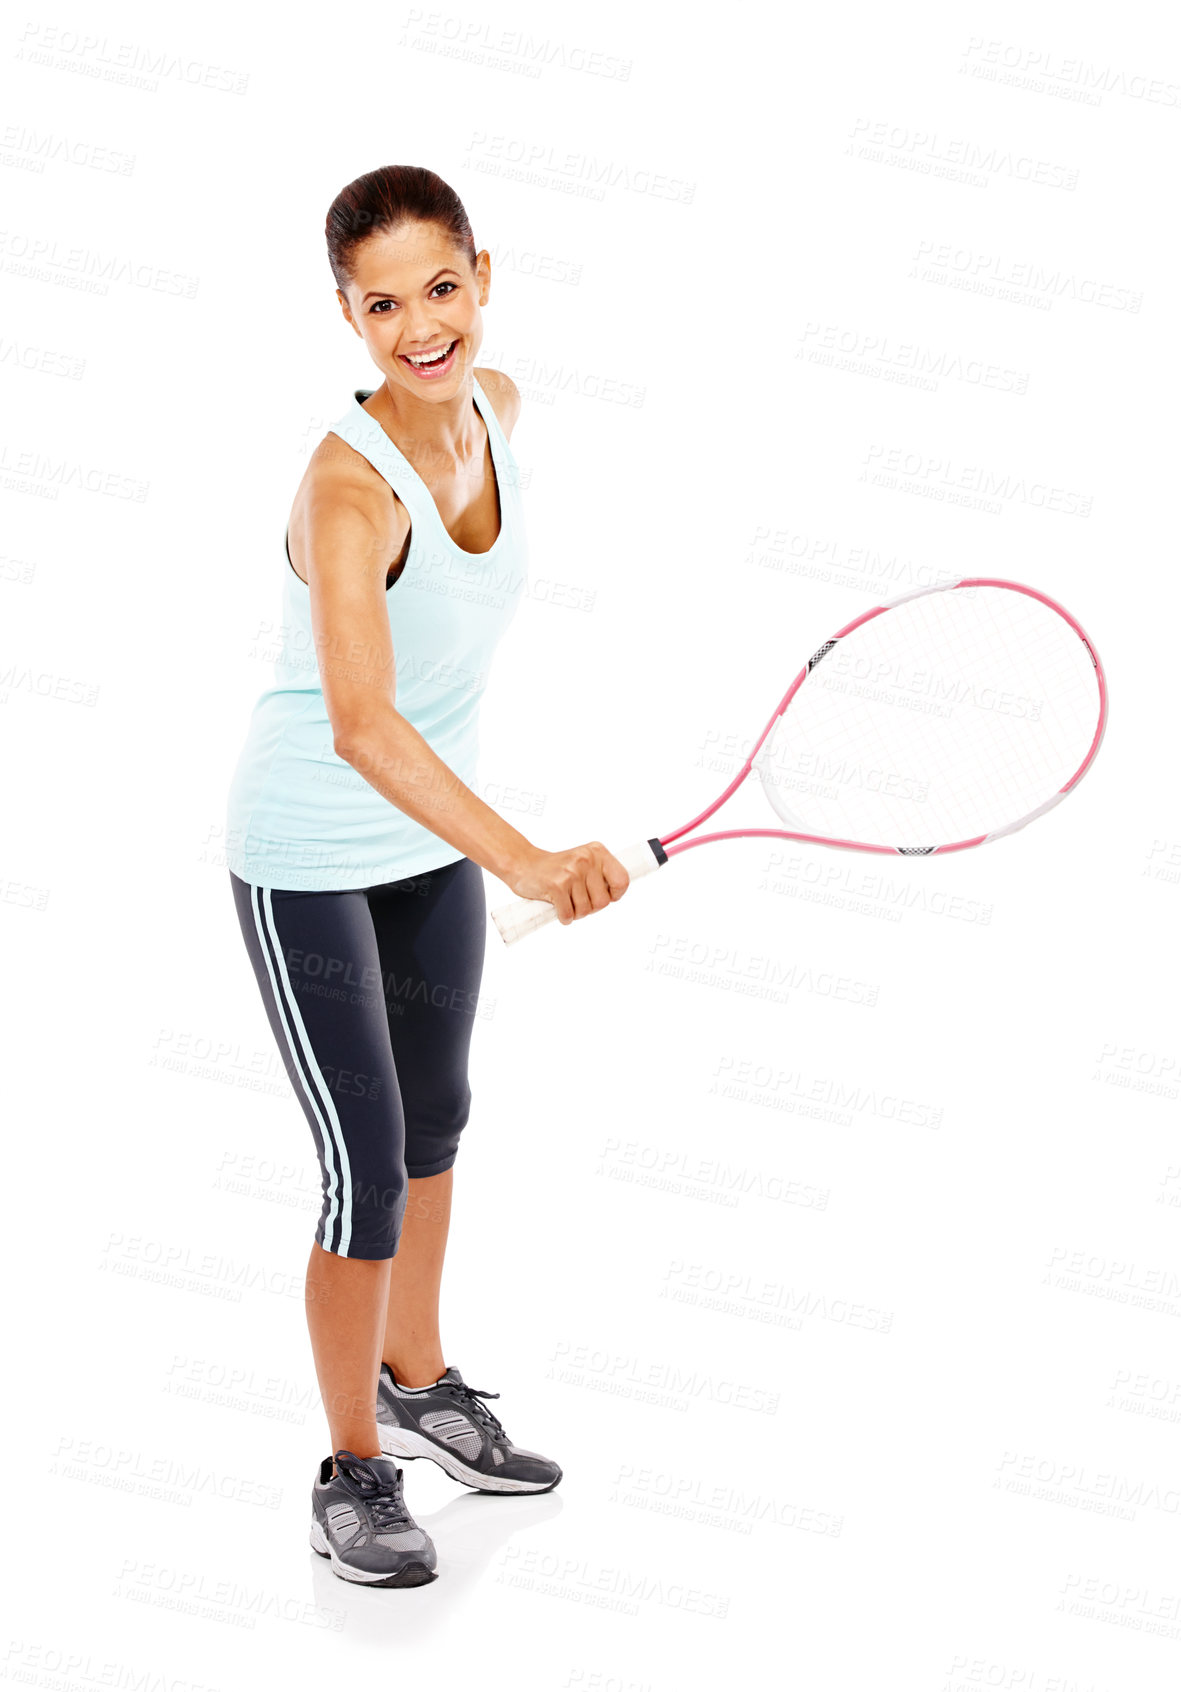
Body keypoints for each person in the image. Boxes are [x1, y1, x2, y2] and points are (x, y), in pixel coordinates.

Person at [224, 164, 631, 1588]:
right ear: (347, 315)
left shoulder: (499, 411)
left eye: (440, 288)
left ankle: (421, 1378)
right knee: (364, 1174)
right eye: (383, 304)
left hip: (422, 847)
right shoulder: (347, 494)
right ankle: (351, 1470)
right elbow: (358, 720)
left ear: (482, 278)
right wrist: (519, 851)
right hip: (309, 856)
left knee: (437, 1124)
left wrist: (481, 848)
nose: (420, 327)